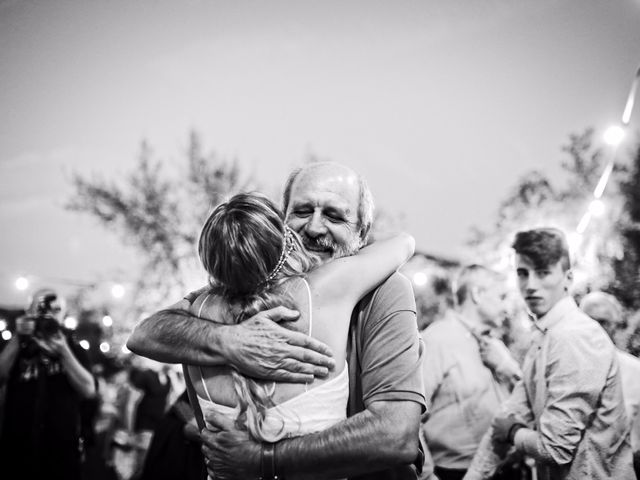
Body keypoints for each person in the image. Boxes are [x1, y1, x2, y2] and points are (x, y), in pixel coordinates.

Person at [127, 162, 427, 479]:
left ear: (362, 232)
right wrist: (230, 341)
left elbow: (396, 434)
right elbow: (147, 333)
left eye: (334, 216)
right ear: (282, 222)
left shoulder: (387, 291)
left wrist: (264, 458)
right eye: (301, 211)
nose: (314, 228)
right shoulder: (236, 291)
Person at [464, 228, 635, 480]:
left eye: (543, 272)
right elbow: (509, 415)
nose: (531, 285)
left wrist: (513, 432)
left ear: (567, 278)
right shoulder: (547, 335)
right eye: (523, 273)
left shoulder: (573, 336)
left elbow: (555, 449)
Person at [420, 265, 520, 480]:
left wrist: (506, 366)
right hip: (456, 473)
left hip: (506, 470)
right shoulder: (436, 341)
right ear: (477, 294)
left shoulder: (496, 346)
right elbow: (410, 419)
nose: (507, 308)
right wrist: (427, 477)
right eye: (502, 297)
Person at [0, 288, 96, 480]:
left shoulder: (74, 348)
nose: (49, 315)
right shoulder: (17, 345)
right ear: (29, 312)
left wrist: (64, 351)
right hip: (17, 452)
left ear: (63, 315)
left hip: (62, 455)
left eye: (56, 310)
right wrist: (19, 339)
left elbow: (89, 390)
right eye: (42, 309)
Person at [580, 291, 640, 477]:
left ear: (615, 326)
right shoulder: (563, 369)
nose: (596, 327)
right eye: (590, 320)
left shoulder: (635, 371)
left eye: (603, 322)